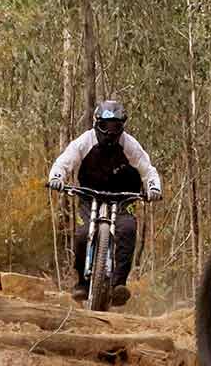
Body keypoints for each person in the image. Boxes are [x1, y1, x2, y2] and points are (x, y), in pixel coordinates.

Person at [47, 99, 162, 304]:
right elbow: (65, 161)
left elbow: (148, 169)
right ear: (96, 124)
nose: (110, 132)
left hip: (123, 196)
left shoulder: (129, 144)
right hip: (89, 194)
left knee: (127, 229)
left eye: (116, 127)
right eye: (105, 126)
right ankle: (82, 282)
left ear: (122, 127)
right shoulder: (85, 141)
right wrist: (57, 177)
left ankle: (119, 284)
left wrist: (154, 187)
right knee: (82, 234)